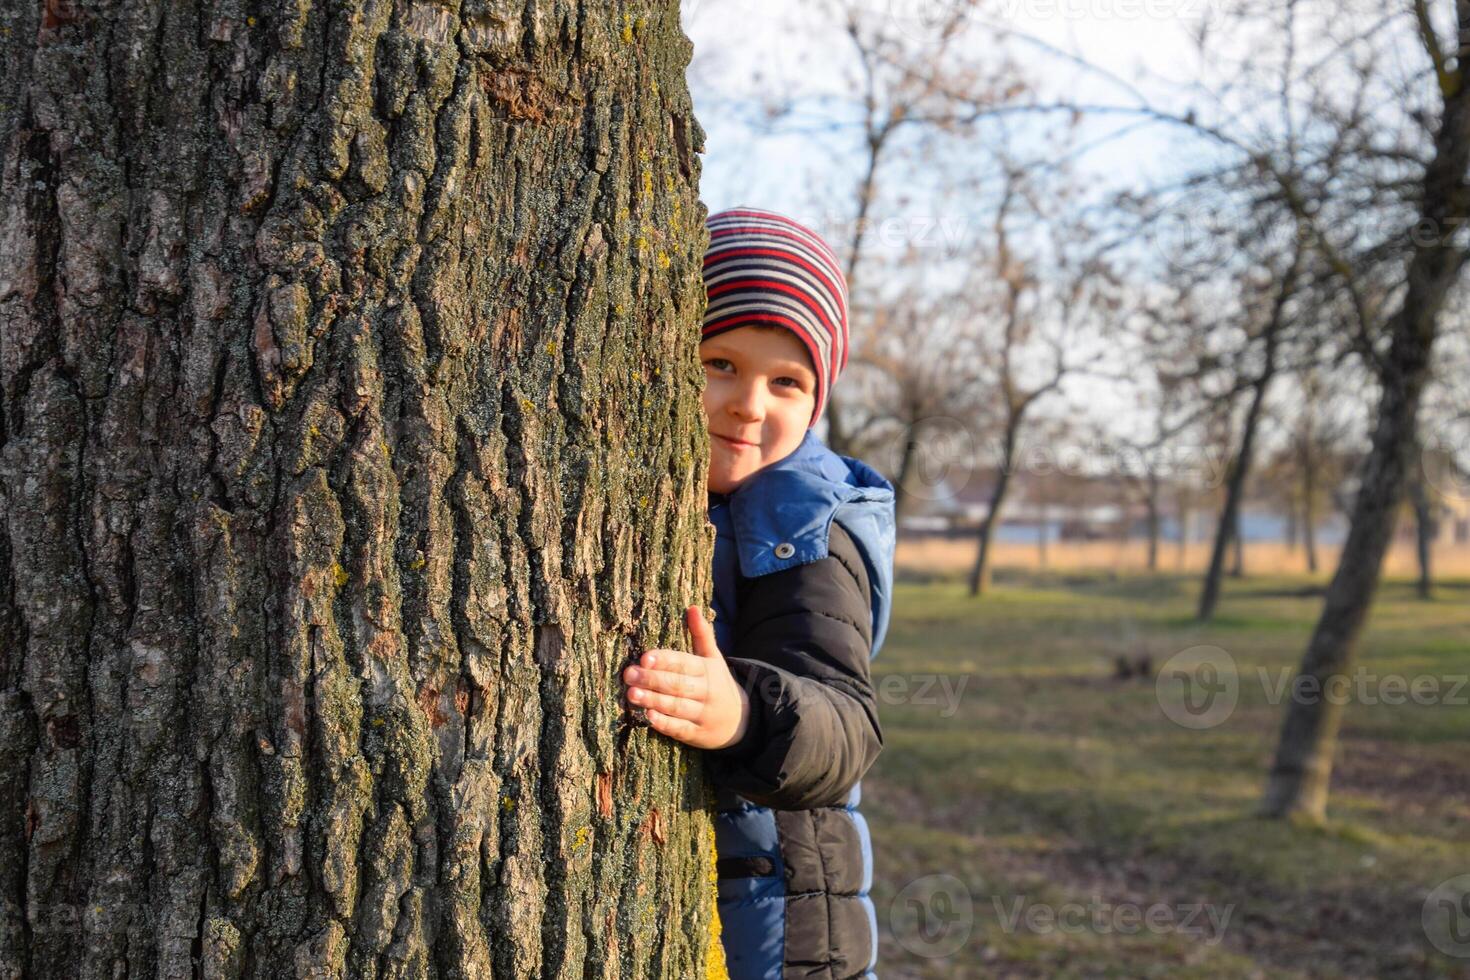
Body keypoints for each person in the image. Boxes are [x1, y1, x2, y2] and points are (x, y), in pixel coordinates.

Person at [621, 207, 896, 979]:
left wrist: (741, 713)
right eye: (721, 364)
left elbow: (846, 726)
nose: (749, 404)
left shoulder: (809, 525)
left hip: (791, 934)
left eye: (787, 382)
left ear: (817, 404)